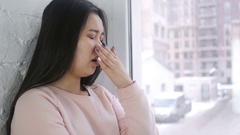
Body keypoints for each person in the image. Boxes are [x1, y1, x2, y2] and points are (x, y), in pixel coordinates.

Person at [4, 0, 159, 134]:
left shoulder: (103, 97)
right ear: (63, 39)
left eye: (101, 38)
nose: (99, 47)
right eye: (92, 36)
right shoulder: (34, 103)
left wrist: (126, 84)